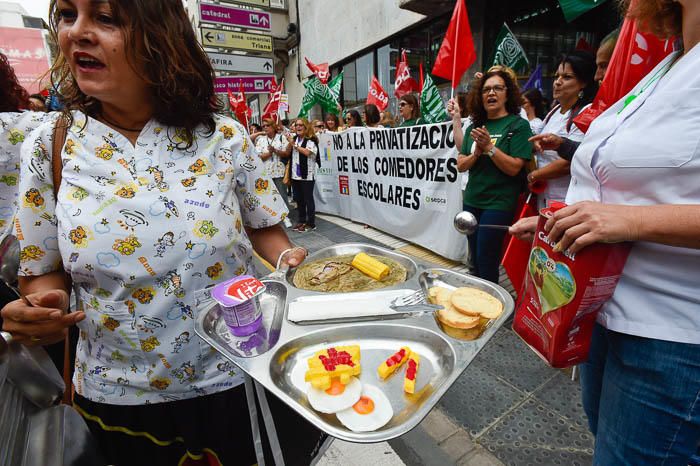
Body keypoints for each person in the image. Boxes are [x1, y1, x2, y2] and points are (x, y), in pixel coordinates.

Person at [0, 1, 325, 465]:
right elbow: (42, 274)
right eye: (68, 14)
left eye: (106, 18)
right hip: (115, 401)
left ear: (161, 35)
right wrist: (41, 307)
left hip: (235, 379)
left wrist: (290, 262)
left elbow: (268, 234)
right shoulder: (49, 147)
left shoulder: (224, 137)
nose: (78, 33)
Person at [510, 1, 700, 463]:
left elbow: (633, 209)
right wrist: (567, 220)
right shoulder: (671, 65)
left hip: (673, 335)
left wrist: (629, 222)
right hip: (603, 311)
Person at [458, 69, 533, 283]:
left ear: (507, 94)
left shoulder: (518, 126)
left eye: (498, 88)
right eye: (486, 89)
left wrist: (489, 147)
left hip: (498, 204)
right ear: (480, 96)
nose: (491, 93)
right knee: (474, 259)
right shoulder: (474, 126)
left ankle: (491, 304)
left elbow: (514, 168)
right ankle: (476, 298)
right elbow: (461, 165)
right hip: (472, 200)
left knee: (487, 256)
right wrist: (477, 153)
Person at [527, 51, 597, 209]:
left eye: (567, 77)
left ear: (583, 83)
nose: (557, 82)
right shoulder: (554, 111)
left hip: (567, 198)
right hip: (543, 195)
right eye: (557, 76)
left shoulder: (587, 112)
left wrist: (533, 176)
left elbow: (571, 161)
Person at [255, 118, 292, 220]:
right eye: (264, 126)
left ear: (274, 127)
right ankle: (272, 215)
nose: (265, 128)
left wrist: (275, 150)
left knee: (282, 194)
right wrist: (269, 153)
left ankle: (285, 215)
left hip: (279, 171)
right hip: (266, 172)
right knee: (269, 195)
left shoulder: (282, 138)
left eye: (268, 125)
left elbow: (286, 153)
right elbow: (258, 156)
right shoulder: (261, 140)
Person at [286, 118, 319, 232]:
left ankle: (311, 223)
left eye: (301, 125)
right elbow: (287, 152)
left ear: (306, 127)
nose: (298, 127)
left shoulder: (311, 140)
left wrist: (293, 144)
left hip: (307, 175)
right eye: (296, 125)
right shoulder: (294, 139)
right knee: (299, 199)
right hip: (295, 174)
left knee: (308, 199)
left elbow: (307, 152)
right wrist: (290, 143)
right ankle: (301, 220)